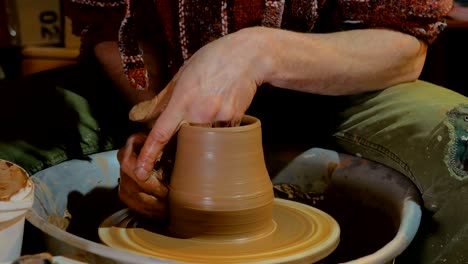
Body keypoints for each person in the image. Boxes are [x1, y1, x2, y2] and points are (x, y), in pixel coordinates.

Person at [64, 0, 467, 263]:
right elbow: (110, 28)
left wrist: (259, 54)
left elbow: (404, 45)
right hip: (156, 83)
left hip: (332, 84)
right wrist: (161, 125)